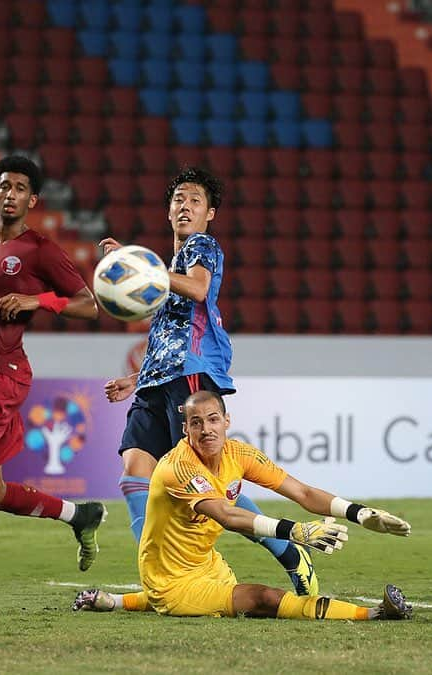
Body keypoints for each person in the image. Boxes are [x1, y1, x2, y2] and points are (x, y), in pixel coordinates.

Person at [99, 167, 318, 596]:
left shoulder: (203, 247)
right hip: (157, 380)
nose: (185, 206)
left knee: (208, 488)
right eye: (178, 199)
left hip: (194, 373)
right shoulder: (172, 266)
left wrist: (139, 267)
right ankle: (161, 573)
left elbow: (199, 291)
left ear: (210, 213)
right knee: (135, 473)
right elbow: (167, 336)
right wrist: (135, 378)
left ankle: (289, 552)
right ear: (168, 211)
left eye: (195, 200)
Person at [72, 390, 413, 621]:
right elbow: (227, 515)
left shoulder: (239, 454)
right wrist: (294, 531)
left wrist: (360, 512)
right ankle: (375, 614)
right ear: (185, 428)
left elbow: (304, 493)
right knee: (262, 597)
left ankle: (114, 601)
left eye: (212, 419)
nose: (206, 430)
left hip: (209, 564)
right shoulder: (178, 466)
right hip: (168, 580)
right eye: (196, 423)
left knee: (226, 594)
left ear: (226, 420)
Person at [0, 154, 104, 571]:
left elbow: (87, 305)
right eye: (5, 186)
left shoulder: (41, 250)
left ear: (32, 201)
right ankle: (81, 516)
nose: (10, 194)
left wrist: (35, 300)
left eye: (20, 189)